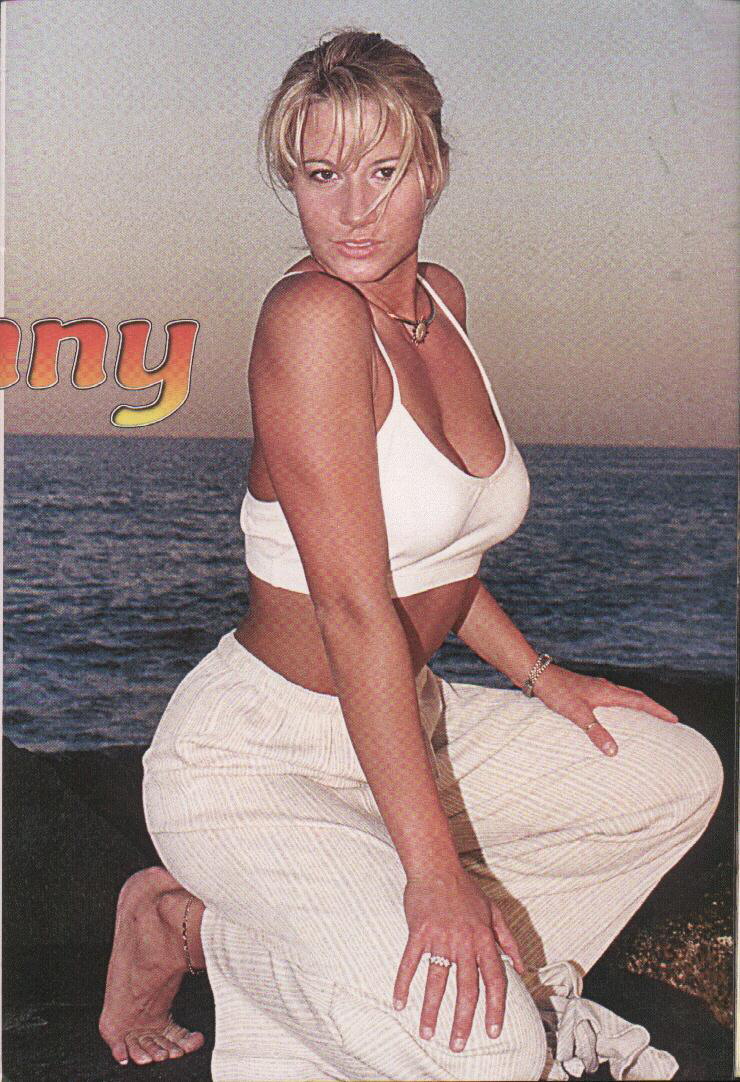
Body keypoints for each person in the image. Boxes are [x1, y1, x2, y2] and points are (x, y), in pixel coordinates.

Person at [99, 29, 723, 1080]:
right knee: (491, 1057)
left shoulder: (442, 302)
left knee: (673, 776)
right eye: (321, 175)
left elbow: (439, 554)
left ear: (432, 168)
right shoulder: (310, 318)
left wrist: (541, 675)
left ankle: (504, 984)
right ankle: (187, 926)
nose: (353, 209)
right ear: (292, 183)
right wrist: (434, 875)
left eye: (383, 171)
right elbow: (352, 607)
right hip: (261, 758)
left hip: (405, 718)